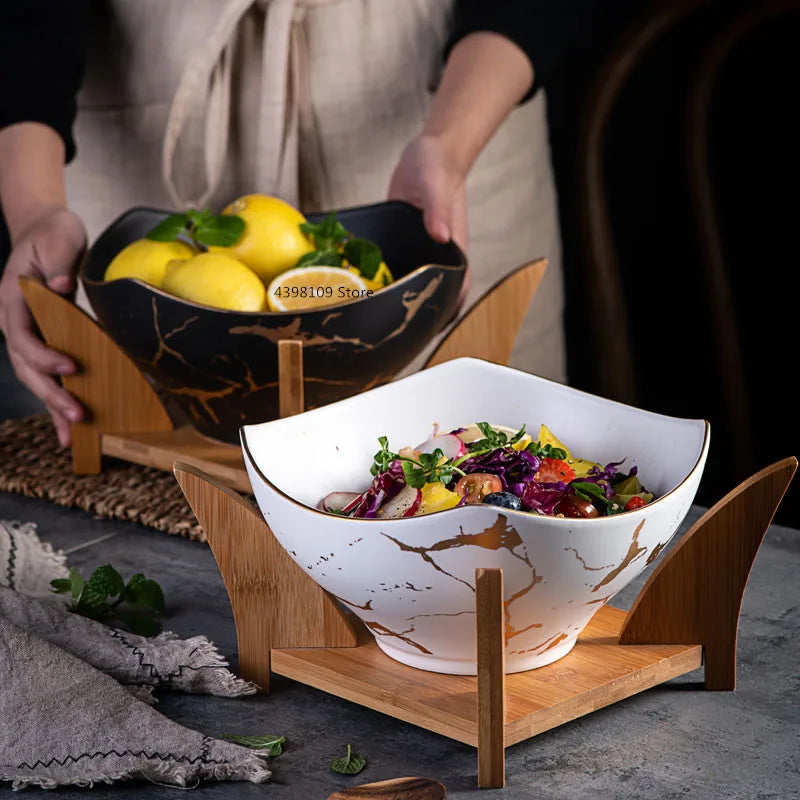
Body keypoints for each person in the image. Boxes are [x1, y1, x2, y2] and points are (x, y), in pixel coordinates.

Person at [1, 1, 573, 447]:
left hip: (454, 98)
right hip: (143, 94)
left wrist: (448, 148)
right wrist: (34, 205)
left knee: (497, 471)